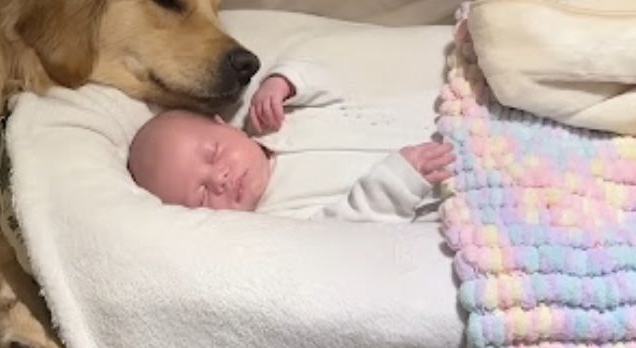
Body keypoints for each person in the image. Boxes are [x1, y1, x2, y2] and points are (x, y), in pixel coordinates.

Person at [127, 59, 453, 222]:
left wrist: (283, 83)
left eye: (214, 154)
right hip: (450, 184)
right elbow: (348, 232)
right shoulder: (281, 216)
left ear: (223, 125)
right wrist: (398, 182)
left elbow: (332, 85)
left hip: (451, 113)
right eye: (202, 195)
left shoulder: (277, 120)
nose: (220, 179)